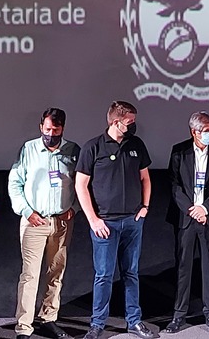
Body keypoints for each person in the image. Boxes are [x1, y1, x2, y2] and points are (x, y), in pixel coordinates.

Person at [74, 101, 159, 339]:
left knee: (131, 273)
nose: (133, 126)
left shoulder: (136, 145)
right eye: (130, 122)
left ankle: (134, 321)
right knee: (104, 275)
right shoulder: (93, 147)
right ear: (115, 122)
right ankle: (97, 324)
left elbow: (145, 178)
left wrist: (145, 207)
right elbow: (81, 185)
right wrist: (93, 220)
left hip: (132, 221)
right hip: (105, 224)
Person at [9, 108, 81, 339]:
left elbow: (82, 184)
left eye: (56, 130)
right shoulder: (28, 149)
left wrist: (74, 208)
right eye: (47, 129)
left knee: (56, 272)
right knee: (29, 275)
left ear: (63, 129)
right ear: (41, 127)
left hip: (61, 222)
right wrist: (26, 211)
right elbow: (15, 183)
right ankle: (24, 327)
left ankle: (48, 318)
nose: (51, 134)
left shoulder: (73, 151)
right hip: (34, 221)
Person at [165, 112, 209, 334]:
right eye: (207, 130)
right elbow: (174, 184)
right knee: (183, 266)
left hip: (208, 217)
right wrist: (191, 209)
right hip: (186, 217)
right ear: (194, 132)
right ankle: (178, 315)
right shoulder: (179, 151)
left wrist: (205, 208)